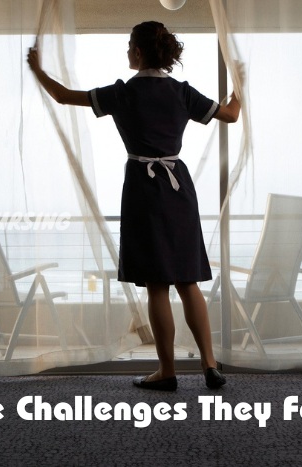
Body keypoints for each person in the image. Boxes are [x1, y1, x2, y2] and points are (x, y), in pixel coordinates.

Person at [28, 21, 241, 391]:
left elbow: (63, 96)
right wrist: (241, 83)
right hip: (179, 190)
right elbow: (231, 114)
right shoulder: (181, 92)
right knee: (188, 280)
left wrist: (37, 70)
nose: (127, 51)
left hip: (143, 188)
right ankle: (209, 365)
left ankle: (167, 371)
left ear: (139, 52)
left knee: (158, 285)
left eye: (129, 46)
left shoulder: (122, 93)